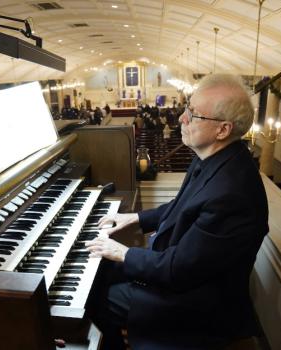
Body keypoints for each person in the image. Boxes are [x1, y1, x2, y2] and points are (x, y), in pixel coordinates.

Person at [86, 74, 269, 349]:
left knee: (98, 299)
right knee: (102, 274)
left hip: (200, 303)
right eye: (186, 108)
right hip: (184, 272)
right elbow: (180, 208)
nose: (182, 118)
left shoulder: (232, 193)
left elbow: (178, 270)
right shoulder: (213, 158)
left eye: (193, 114)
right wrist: (134, 217)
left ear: (222, 130)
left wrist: (123, 252)